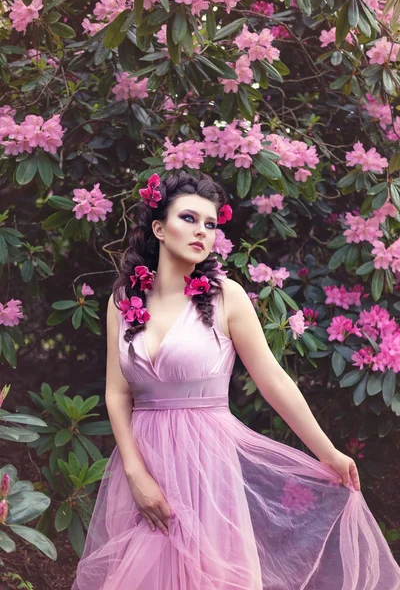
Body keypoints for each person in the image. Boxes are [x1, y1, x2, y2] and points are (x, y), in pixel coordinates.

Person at [72, 171, 400, 589]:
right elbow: (117, 392)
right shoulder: (122, 300)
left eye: (210, 224)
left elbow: (274, 382)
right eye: (189, 218)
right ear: (158, 227)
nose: (201, 232)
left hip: (205, 461)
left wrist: (328, 452)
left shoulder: (227, 297)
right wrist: (136, 473)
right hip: (143, 456)